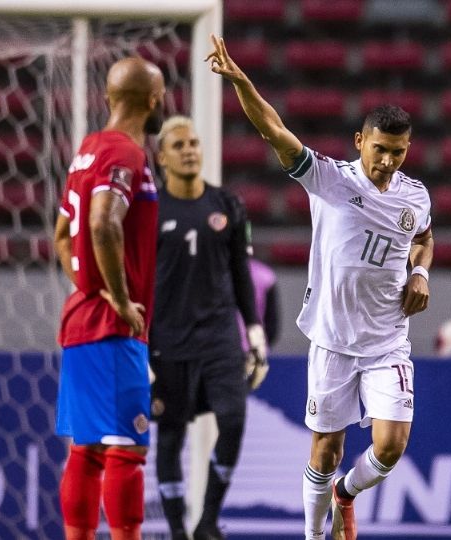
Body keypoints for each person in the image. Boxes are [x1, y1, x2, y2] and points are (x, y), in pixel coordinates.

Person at [206, 35, 434, 540]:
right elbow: (273, 131)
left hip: (387, 339)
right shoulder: (331, 180)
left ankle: (346, 495)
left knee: (391, 445)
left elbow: (424, 237)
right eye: (379, 149)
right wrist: (242, 80)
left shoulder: (415, 196)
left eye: (398, 152)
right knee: (324, 451)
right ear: (360, 142)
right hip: (332, 339)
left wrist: (420, 272)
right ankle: (314, 535)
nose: (388, 161)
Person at [53, 56, 165, 540]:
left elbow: (61, 234)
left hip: (81, 319)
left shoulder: (88, 149)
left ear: (109, 97)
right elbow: (101, 221)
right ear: (154, 101)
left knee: (89, 449)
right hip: (112, 327)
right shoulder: (126, 152)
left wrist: (87, 285)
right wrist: (118, 299)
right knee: (125, 451)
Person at [149, 115, 268, 540]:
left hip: (219, 337)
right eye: (179, 145)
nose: (189, 150)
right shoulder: (149, 210)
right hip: (167, 341)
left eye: (194, 143)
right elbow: (141, 283)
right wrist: (141, 347)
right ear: (162, 157)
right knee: (170, 436)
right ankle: (178, 529)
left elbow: (240, 273)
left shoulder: (227, 205)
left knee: (233, 420)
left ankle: (208, 521)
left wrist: (254, 332)